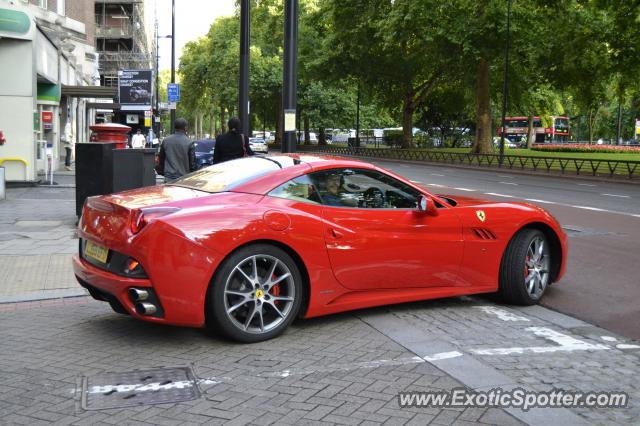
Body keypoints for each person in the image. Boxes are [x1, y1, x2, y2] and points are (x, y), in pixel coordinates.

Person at [156, 118, 197, 182]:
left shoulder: (166, 141)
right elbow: (192, 164)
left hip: (168, 177)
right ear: (185, 128)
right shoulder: (189, 142)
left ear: (175, 127)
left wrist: (162, 172)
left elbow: (161, 159)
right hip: (184, 178)